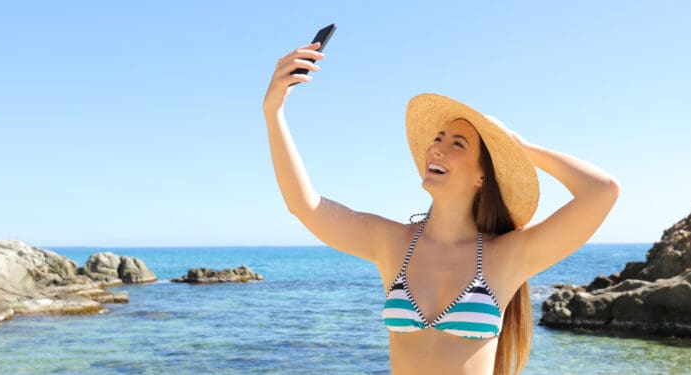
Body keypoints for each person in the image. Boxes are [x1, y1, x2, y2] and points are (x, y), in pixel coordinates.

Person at [262, 42, 620, 375]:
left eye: (457, 144)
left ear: (482, 175)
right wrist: (273, 110)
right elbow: (305, 205)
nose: (437, 149)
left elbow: (602, 191)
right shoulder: (392, 243)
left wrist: (523, 149)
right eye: (437, 139)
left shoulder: (508, 255)